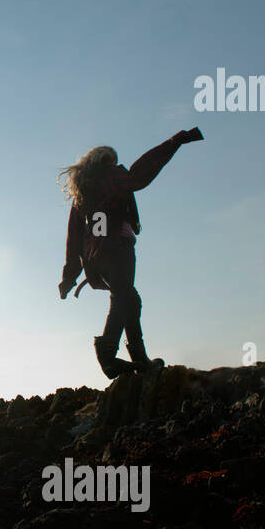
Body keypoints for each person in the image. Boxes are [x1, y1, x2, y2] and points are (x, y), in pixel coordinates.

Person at [57, 127, 204, 379]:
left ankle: (139, 360)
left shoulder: (81, 194)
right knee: (124, 298)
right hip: (117, 248)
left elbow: (73, 238)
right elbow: (140, 173)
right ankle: (108, 353)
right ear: (106, 161)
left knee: (129, 298)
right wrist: (176, 140)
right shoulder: (111, 177)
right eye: (113, 161)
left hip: (96, 258)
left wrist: (69, 277)